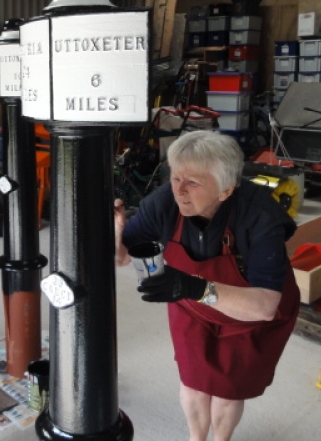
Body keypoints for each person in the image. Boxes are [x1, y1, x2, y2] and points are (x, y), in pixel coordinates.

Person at [114, 130, 300, 441]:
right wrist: (115, 232)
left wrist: (194, 288)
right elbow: (121, 258)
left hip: (249, 315)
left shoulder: (261, 216)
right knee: (193, 382)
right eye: (176, 178)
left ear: (225, 190)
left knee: (227, 391)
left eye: (194, 183)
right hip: (192, 306)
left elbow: (265, 306)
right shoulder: (163, 203)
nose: (180, 191)